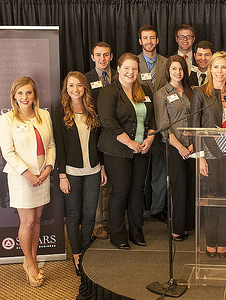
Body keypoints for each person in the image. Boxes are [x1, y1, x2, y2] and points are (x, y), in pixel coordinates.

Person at [0, 77, 55, 286]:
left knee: (37, 220)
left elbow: (51, 145)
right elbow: (8, 153)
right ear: (14, 95)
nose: (24, 97)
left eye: (28, 93)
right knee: (28, 221)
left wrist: (48, 167)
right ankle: (30, 264)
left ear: (34, 95)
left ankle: (33, 258)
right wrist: (27, 174)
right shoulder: (7, 120)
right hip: (22, 177)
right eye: (20, 93)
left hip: (42, 175)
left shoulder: (44, 115)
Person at [97, 53, 155, 249]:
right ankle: (118, 234)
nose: (131, 72)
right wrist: (130, 142)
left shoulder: (145, 90)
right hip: (117, 151)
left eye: (134, 69)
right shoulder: (109, 91)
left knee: (138, 192)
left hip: (141, 150)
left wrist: (150, 138)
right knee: (121, 192)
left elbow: (152, 119)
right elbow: (108, 122)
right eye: (127, 68)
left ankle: (136, 233)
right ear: (119, 69)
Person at [53, 71, 108, 275]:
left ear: (85, 87)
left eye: (79, 85)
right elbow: (58, 144)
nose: (75, 89)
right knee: (74, 214)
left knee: (89, 214)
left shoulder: (92, 110)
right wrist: (61, 175)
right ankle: (76, 254)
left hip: (93, 170)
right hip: (71, 172)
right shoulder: (60, 112)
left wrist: (101, 166)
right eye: (71, 86)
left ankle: (85, 249)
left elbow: (98, 141)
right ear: (66, 89)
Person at [190, 51, 226, 258]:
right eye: (216, 67)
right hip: (208, 157)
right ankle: (210, 243)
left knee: (224, 201)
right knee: (210, 202)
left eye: (224, 67)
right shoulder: (201, 92)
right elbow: (194, 126)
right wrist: (200, 157)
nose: (220, 71)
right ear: (209, 69)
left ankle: (222, 243)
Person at [154, 55, 195, 241]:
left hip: (193, 146)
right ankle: (177, 228)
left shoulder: (191, 91)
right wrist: (179, 147)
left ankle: (188, 224)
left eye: (180, 69)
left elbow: (197, 119)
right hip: (173, 146)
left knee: (191, 186)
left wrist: (194, 142)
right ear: (168, 71)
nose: (178, 72)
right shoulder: (161, 94)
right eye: (174, 69)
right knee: (178, 187)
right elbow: (163, 125)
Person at [84, 41, 117, 240]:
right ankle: (97, 223)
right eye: (98, 55)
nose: (102, 59)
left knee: (113, 181)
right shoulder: (86, 79)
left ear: (111, 56)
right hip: (95, 134)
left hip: (116, 134)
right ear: (92, 57)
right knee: (98, 180)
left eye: (106, 55)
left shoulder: (120, 75)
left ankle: (110, 219)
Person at [136, 24, 169, 223]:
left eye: (152, 38)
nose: (149, 41)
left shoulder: (167, 63)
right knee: (139, 172)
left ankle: (157, 209)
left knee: (161, 171)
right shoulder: (132, 62)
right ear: (140, 41)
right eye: (145, 38)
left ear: (157, 40)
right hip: (140, 127)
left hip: (162, 126)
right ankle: (137, 211)